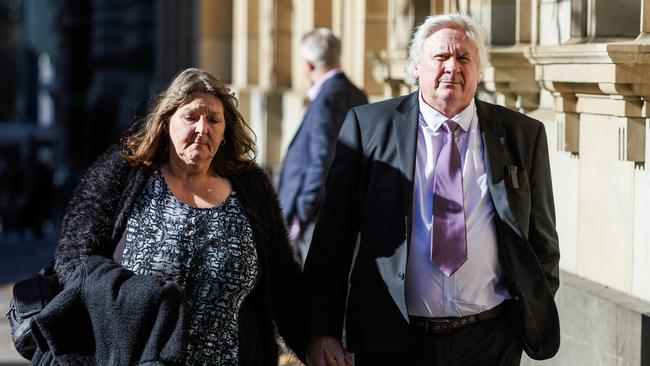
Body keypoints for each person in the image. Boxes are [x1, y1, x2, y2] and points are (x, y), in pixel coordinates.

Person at [303, 13, 560, 366]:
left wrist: (526, 314)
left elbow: (542, 242)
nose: (452, 67)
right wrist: (323, 330)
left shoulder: (521, 135)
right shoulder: (369, 127)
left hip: (490, 340)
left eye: (464, 58)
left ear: (479, 71)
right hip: (394, 340)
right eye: (440, 57)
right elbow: (333, 238)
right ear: (416, 68)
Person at [53, 68, 305, 365]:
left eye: (213, 119)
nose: (203, 128)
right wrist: (129, 295)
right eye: (191, 117)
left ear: (225, 131)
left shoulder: (252, 187)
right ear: (166, 122)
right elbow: (73, 260)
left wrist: (316, 341)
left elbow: (283, 278)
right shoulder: (122, 175)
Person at [277, 28, 368, 264]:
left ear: (307, 65)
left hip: (315, 215)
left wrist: (303, 213)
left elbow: (321, 159)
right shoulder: (357, 93)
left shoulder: (327, 97)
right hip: (341, 210)